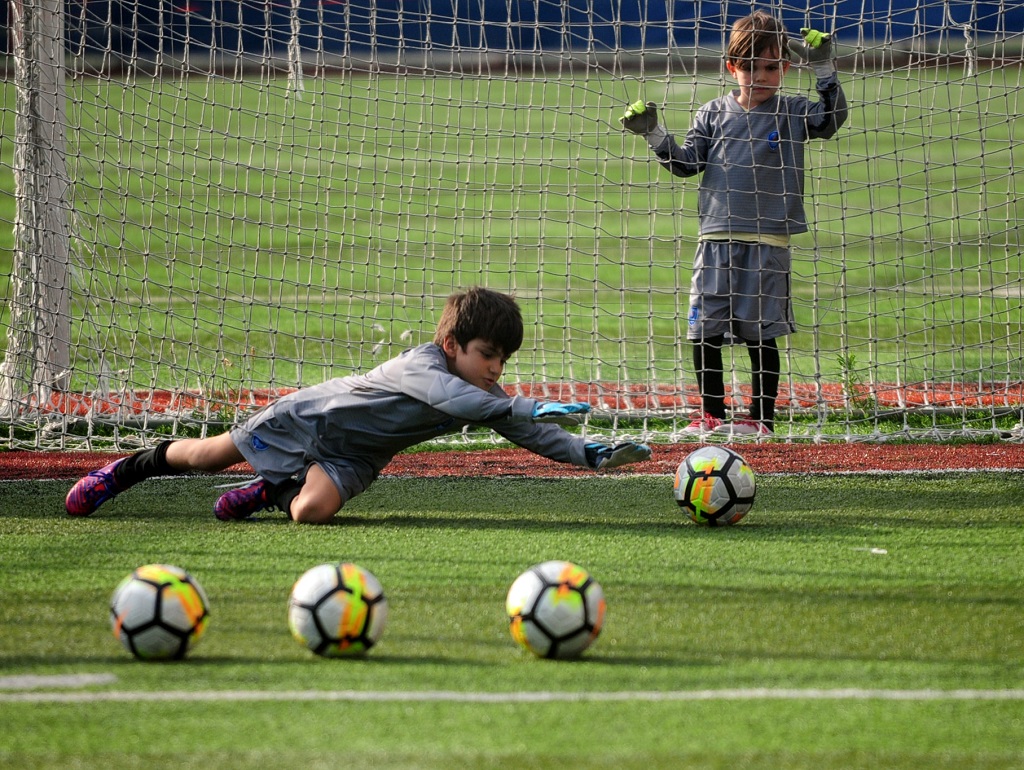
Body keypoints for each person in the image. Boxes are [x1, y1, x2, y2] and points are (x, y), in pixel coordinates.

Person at [66, 287, 652, 524]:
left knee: (308, 512)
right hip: (309, 420)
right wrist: (525, 406)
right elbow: (453, 399)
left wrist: (588, 454)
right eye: (487, 354)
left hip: (356, 456)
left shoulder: (486, 394)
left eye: (503, 359)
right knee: (207, 457)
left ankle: (273, 491)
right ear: (452, 345)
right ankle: (124, 470)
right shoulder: (423, 366)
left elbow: (529, 432)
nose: (496, 368)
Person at [620, 12, 848, 436]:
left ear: (785, 67)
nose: (759, 76)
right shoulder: (712, 113)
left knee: (758, 334)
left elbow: (831, 121)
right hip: (714, 241)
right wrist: (654, 134)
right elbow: (686, 164)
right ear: (732, 66)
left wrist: (823, 67)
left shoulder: (793, 110)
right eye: (749, 67)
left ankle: (761, 420)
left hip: (767, 242)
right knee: (704, 331)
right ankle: (711, 415)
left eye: (770, 67)